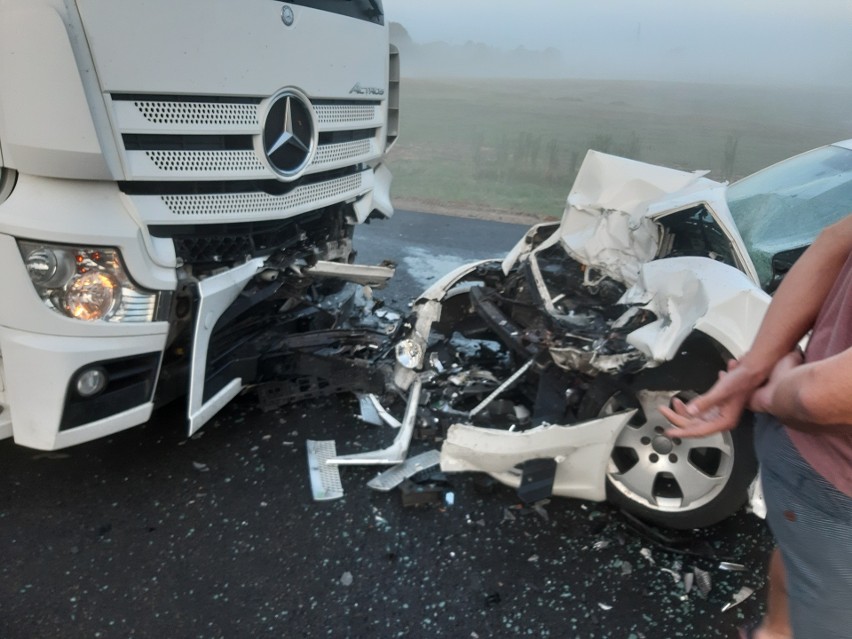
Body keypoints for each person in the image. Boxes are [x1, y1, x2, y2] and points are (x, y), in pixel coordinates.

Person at [660, 215, 852, 639]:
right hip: (833, 472)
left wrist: (751, 373)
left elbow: (835, 237)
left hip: (803, 454)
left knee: (805, 559)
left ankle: (774, 632)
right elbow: (817, 396)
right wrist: (766, 392)